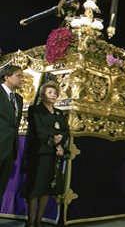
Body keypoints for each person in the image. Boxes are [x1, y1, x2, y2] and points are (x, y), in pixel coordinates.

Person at [23, 81, 69, 227]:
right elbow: (38, 130)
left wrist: (61, 142)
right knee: (35, 188)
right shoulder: (35, 110)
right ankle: (30, 222)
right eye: (50, 92)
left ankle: (39, 221)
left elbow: (65, 131)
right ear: (43, 94)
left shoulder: (59, 113)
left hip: (54, 155)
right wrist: (54, 140)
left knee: (47, 188)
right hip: (39, 153)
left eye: (55, 93)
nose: (53, 95)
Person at [0, 65, 24, 205]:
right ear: (6, 77)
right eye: (18, 75)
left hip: (9, 150)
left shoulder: (19, 99)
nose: (22, 79)